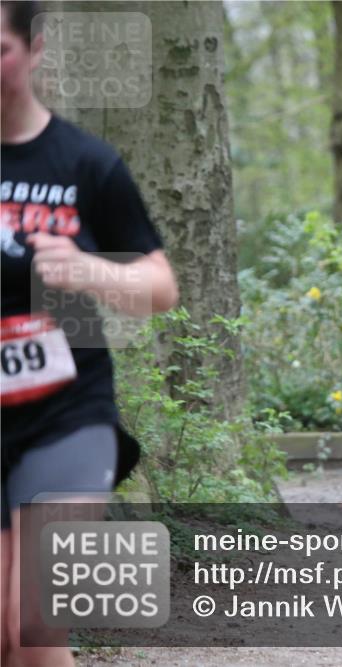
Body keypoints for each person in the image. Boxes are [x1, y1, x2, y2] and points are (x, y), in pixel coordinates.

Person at [1, 3, 179, 664]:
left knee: (35, 623)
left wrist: (89, 268)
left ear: (35, 49)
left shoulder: (84, 162)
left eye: (0, 50)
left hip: (67, 412)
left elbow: (161, 287)